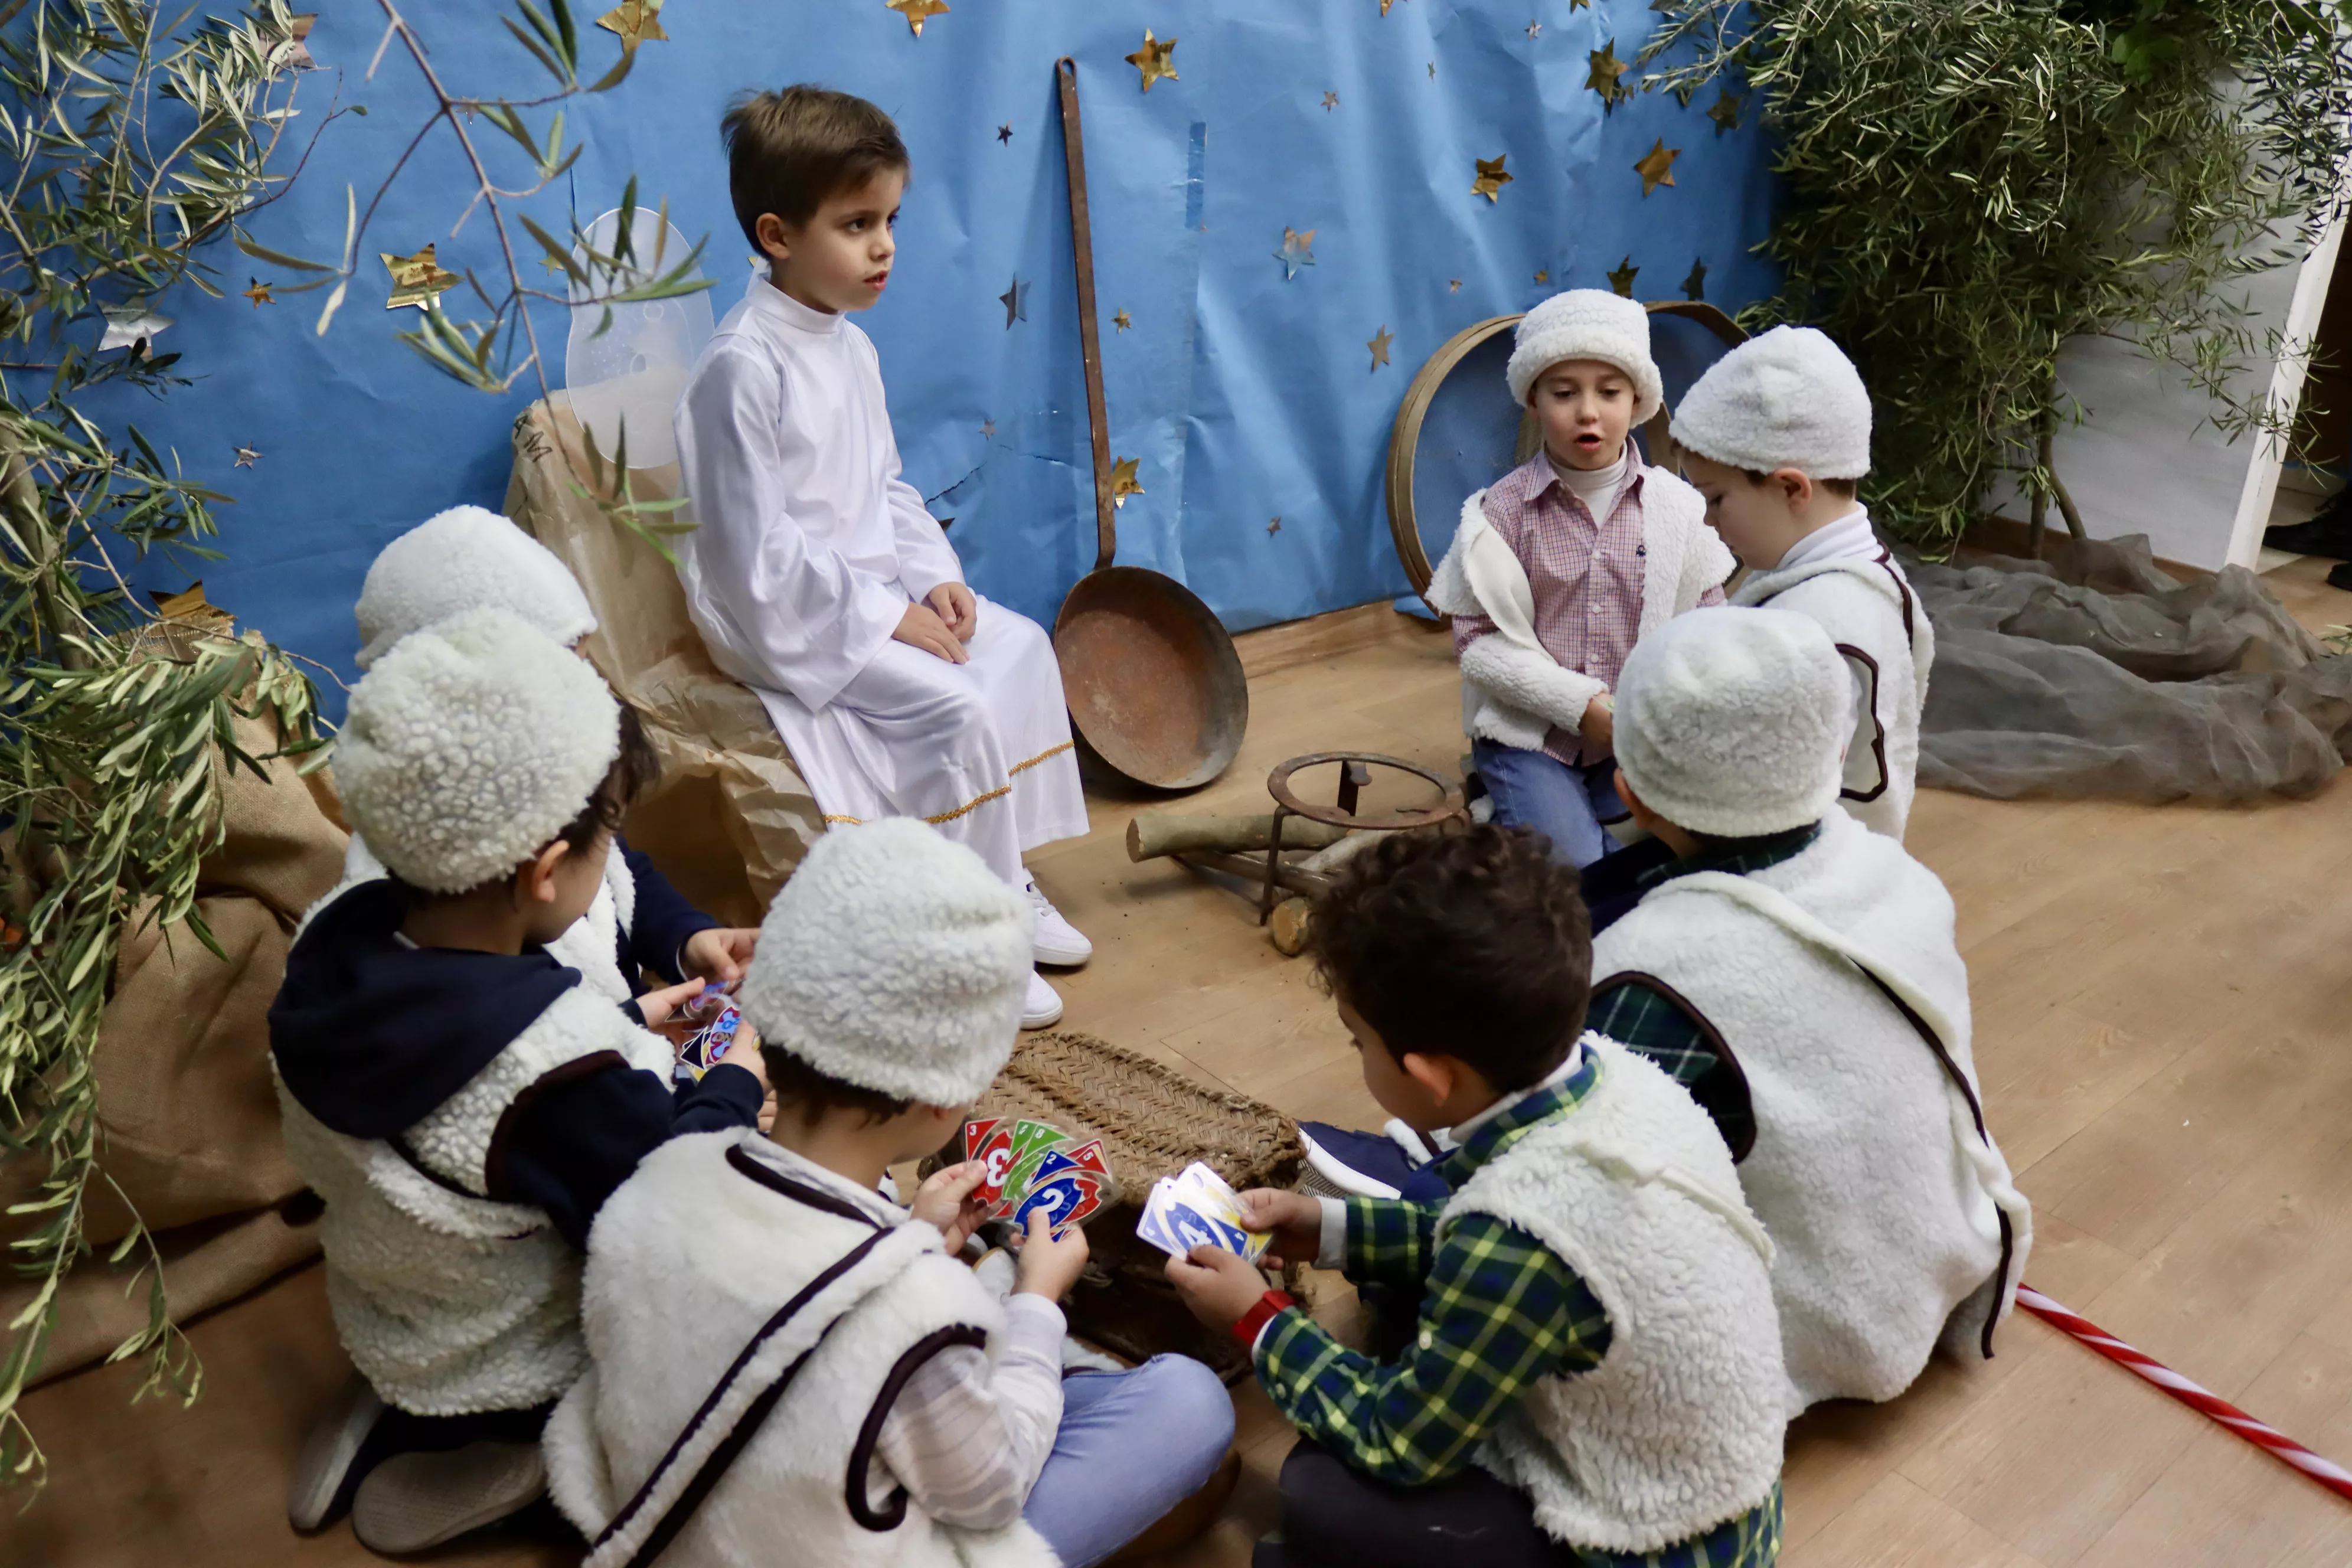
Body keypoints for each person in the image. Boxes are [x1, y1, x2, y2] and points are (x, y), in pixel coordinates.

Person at [544, 818, 1235, 1568]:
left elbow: (779, 1305)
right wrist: (1036, 1299)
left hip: (693, 1516)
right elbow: (990, 1490)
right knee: (1188, 1401)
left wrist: (909, 1234)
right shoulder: (917, 1313)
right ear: (946, 1096)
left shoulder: (662, 1171)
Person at [272, 610, 770, 1554]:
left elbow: (453, 1104)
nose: (614, 854)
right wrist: (735, 1085)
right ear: (545, 871)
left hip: (395, 1297)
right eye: (608, 833)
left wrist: (629, 1022)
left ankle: (398, 1406)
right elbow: (669, 1214)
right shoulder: (557, 1064)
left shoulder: (333, 939)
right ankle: (528, 1452)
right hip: (512, 1348)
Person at [1165, 825, 1788, 1568]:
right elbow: (1482, 1238)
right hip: (1726, 1485)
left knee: (1320, 1490)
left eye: (1357, 1042)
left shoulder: (1519, 1235)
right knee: (1404, 1303)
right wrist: (1328, 1226)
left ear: (1431, 1076)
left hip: (1649, 1540)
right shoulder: (1612, 1076)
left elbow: (1398, 1439)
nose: (1357, 1054)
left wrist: (1258, 1321)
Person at [672, 84, 1090, 1030]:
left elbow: (886, 488)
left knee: (1019, 647)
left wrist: (933, 575)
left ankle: (1004, 877)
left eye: (890, 219)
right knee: (952, 705)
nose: (885, 245)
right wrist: (880, 616)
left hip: (859, 584)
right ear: (778, 236)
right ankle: (974, 940)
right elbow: (753, 554)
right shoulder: (743, 368)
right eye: (856, 223)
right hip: (781, 613)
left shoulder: (849, 347)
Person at [1587, 606, 2031, 1413]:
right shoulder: (1903, 880)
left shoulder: (1644, 972)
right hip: (1940, 1255)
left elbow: (1588, 1176)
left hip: (1808, 1329)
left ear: (1629, 795)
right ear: (1831, 751)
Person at [345, 504, 759, 1005]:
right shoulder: (434, 907)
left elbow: (619, 876)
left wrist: (686, 941)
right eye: (569, 668)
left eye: (589, 664)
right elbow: (537, 1049)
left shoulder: (548, 806)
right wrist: (631, 1034)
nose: (594, 692)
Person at [1426, 289, 1736, 868]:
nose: (1588, 411)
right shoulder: (1503, 511)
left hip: (1639, 731)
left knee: (1718, 828)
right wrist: (1578, 704)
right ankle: (1521, 806)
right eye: (1564, 393)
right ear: (1534, 403)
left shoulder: (1676, 507)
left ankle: (1536, 824)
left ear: (1639, 398)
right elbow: (1478, 644)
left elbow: (1708, 624)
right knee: (1578, 867)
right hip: (1534, 738)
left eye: (1609, 391)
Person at [1670, 326, 1933, 841]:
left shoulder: (1817, 624)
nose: (1706, 520)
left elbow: (1770, 788)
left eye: (1715, 498)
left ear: (1792, 487)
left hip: (1797, 867)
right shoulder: (1874, 575)